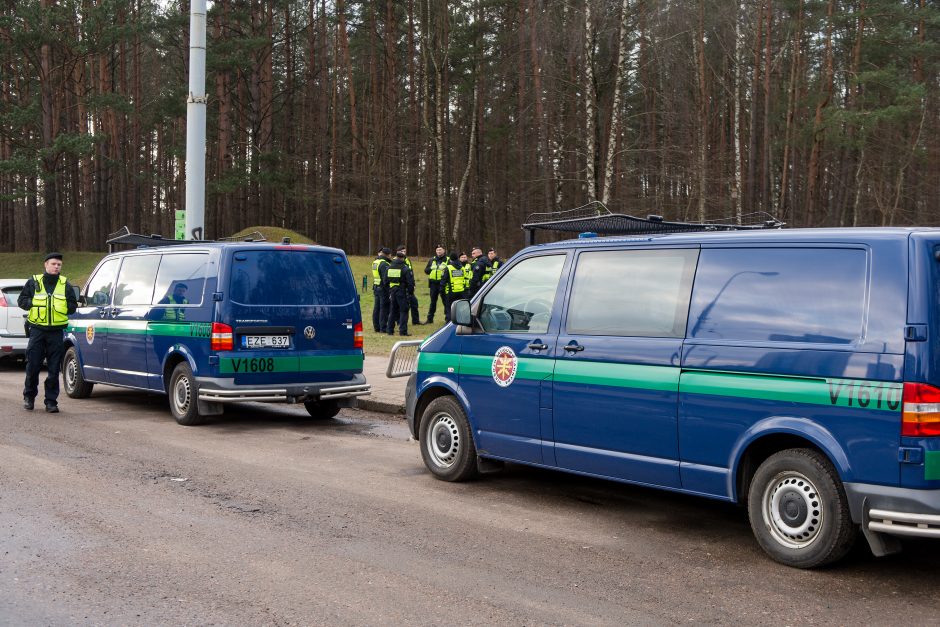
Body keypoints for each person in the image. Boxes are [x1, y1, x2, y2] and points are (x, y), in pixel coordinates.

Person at [18, 252, 78, 413]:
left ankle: (51, 402)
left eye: (59, 264)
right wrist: (35, 303)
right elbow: (21, 301)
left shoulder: (65, 284)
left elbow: (73, 305)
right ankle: (29, 397)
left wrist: (63, 306)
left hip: (56, 333)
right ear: (46, 265)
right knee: (33, 366)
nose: (56, 266)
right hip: (37, 331)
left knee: (53, 369)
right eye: (53, 263)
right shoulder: (33, 282)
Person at [384, 250, 415, 336]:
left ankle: (389, 330)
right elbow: (410, 283)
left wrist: (389, 290)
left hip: (392, 292)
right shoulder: (405, 268)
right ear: (403, 258)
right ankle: (403, 331)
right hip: (402, 292)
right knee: (404, 311)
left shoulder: (389, 267)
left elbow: (385, 281)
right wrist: (410, 293)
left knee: (393, 311)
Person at [396, 244, 423, 326]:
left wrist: (413, 284)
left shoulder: (407, 260)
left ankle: (416, 320)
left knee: (414, 302)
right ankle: (399, 321)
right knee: (400, 306)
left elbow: (411, 273)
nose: (403, 253)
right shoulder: (395, 261)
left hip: (409, 286)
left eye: (404, 251)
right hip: (400, 287)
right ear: (397, 252)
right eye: (401, 251)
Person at [423, 244, 449, 324]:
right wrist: (431, 268)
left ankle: (447, 319)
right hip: (433, 284)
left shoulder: (448, 260)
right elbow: (426, 271)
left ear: (444, 250)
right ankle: (429, 319)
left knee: (446, 302)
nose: (438, 251)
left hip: (443, 284)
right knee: (433, 302)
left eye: (440, 250)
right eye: (437, 250)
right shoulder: (432, 260)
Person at [371, 247, 391, 332]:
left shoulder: (375, 262)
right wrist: (389, 290)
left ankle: (376, 327)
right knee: (384, 308)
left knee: (377, 308)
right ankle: (383, 327)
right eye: (390, 254)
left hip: (376, 287)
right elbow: (385, 279)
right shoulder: (384, 264)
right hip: (383, 288)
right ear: (388, 255)